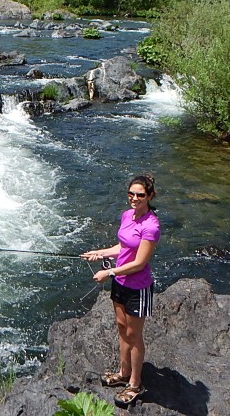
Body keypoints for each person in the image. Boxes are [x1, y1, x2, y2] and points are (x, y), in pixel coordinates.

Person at [80, 174, 160, 408]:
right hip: (121, 284)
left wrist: (109, 273)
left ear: (150, 196)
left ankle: (135, 384)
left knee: (135, 336)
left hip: (138, 287)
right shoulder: (127, 216)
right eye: (131, 194)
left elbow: (139, 263)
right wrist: (101, 253)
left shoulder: (151, 225)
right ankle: (124, 373)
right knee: (122, 328)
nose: (135, 198)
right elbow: (123, 247)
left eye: (140, 195)